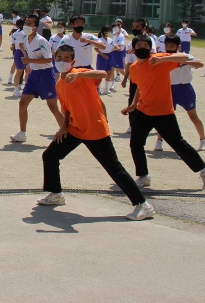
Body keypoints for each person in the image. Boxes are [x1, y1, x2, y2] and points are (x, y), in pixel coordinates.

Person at [36, 44, 155, 221]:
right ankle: (56, 194)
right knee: (50, 155)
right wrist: (63, 127)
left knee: (114, 168)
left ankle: (143, 205)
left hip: (95, 129)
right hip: (75, 129)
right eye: (59, 58)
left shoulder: (81, 73)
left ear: (73, 61)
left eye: (66, 59)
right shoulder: (60, 83)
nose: (62, 61)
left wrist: (80, 74)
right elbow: (67, 108)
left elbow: (102, 74)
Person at [121, 34, 205, 191]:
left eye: (145, 46)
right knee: (136, 143)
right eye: (139, 46)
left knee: (178, 144)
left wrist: (162, 60)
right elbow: (139, 86)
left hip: (163, 111)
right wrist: (133, 105)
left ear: (151, 48)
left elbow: (185, 57)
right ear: (133, 49)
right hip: (143, 110)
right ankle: (143, 176)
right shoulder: (134, 67)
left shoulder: (160, 59)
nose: (142, 48)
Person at [10, 14, 65, 143]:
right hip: (34, 75)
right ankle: (22, 133)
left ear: (35, 27)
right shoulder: (25, 39)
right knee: (22, 103)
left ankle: (67, 131)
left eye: (30, 24)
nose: (27, 26)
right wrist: (29, 65)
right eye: (26, 23)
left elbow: (48, 59)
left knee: (52, 106)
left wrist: (29, 60)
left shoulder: (41, 40)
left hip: (46, 75)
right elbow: (30, 55)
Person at [153, 35, 205, 152]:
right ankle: (159, 141)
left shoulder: (184, 56)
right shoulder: (161, 57)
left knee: (193, 116)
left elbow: (200, 64)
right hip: (167, 89)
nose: (169, 48)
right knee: (163, 117)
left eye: (172, 46)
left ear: (178, 46)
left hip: (184, 89)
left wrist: (184, 61)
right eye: (167, 45)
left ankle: (203, 139)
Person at [94, 25, 115, 95]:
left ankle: (106, 88)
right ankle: (98, 88)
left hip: (110, 55)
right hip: (102, 56)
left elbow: (114, 46)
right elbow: (95, 48)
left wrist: (117, 48)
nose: (109, 32)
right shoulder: (100, 40)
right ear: (104, 32)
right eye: (108, 31)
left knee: (109, 72)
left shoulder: (110, 39)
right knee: (100, 73)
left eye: (110, 31)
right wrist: (102, 54)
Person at [10, 18, 27, 95]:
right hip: (21, 52)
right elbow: (21, 45)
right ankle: (16, 89)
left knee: (27, 71)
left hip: (19, 51)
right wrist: (26, 55)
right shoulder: (22, 33)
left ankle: (26, 87)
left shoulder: (16, 33)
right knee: (20, 71)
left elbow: (13, 44)